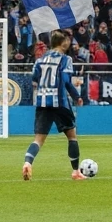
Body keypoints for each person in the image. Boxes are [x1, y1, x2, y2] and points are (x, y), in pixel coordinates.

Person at [23, 30, 86, 181]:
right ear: (63, 42)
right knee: (72, 136)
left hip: (42, 101)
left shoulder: (40, 59)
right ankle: (76, 172)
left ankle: (27, 162)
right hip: (60, 102)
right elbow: (65, 81)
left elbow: (35, 78)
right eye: (67, 40)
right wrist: (77, 96)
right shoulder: (66, 59)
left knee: (38, 139)